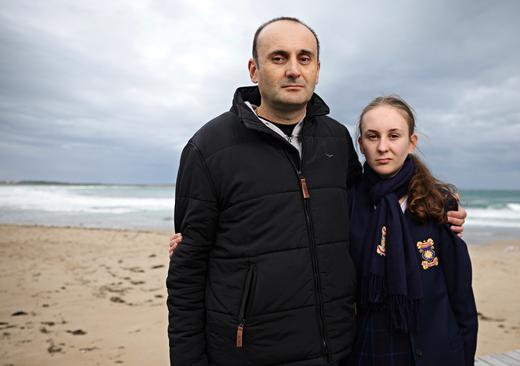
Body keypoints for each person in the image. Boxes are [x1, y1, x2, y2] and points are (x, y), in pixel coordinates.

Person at [167, 17, 467, 366]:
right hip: (249, 353)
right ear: (253, 69)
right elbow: (186, 276)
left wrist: (438, 204)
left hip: (337, 350)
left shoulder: (336, 139)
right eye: (279, 58)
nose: (294, 69)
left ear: (318, 70)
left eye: (304, 58)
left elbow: (374, 197)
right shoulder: (209, 149)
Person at [346, 96, 477, 365]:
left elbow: (460, 293)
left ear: (412, 142)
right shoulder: (347, 203)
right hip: (369, 348)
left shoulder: (439, 204)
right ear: (361, 144)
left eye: (394, 135)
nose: (383, 147)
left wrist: (465, 356)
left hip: (431, 348)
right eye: (372, 137)